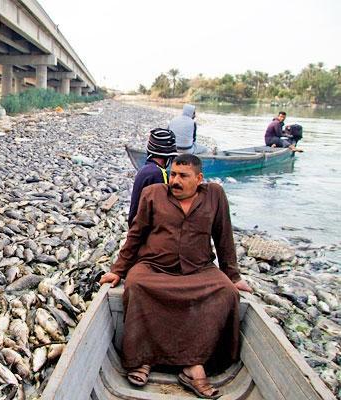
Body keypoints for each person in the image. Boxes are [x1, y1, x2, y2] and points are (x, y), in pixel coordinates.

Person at [100, 154, 252, 399]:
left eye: (183, 176)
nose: (175, 181)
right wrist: (118, 270)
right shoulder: (153, 194)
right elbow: (135, 235)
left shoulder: (215, 195)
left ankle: (194, 365)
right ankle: (144, 358)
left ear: (199, 178)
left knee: (226, 293)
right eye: (173, 175)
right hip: (154, 266)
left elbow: (224, 238)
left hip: (198, 269)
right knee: (137, 285)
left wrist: (233, 276)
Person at [128, 128, 178, 227]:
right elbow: (162, 209)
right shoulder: (159, 173)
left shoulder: (146, 169)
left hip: (135, 225)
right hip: (144, 231)